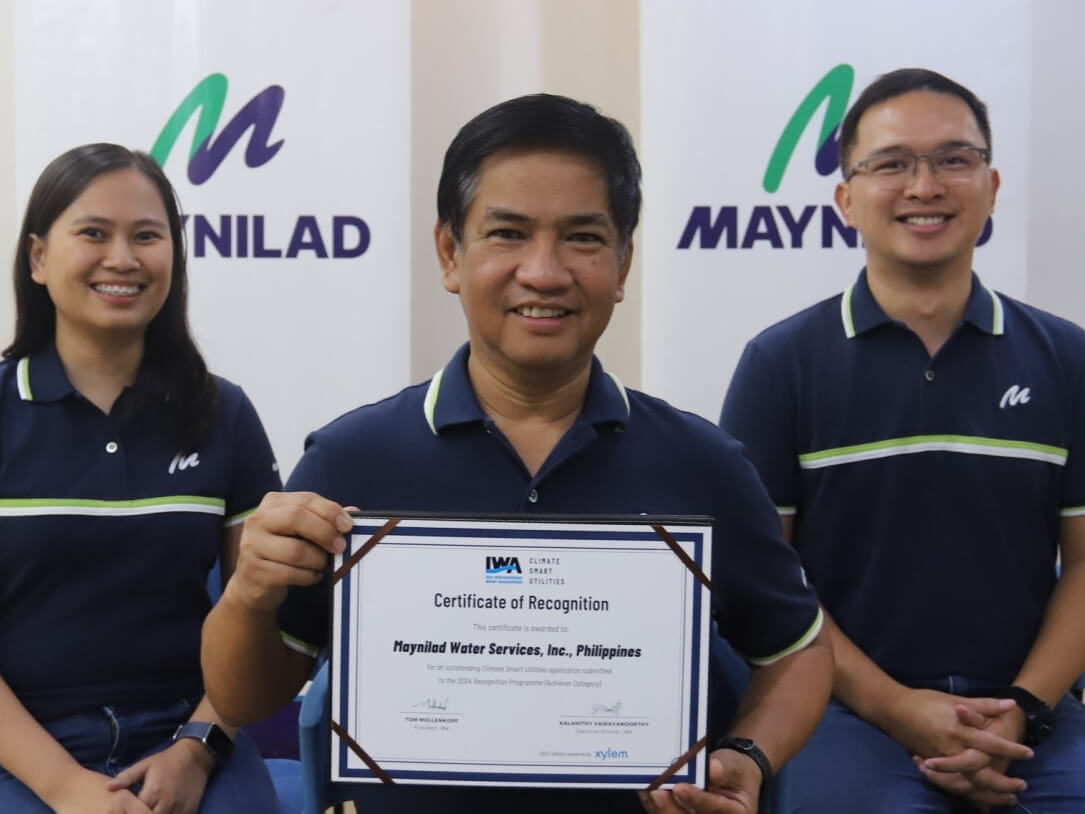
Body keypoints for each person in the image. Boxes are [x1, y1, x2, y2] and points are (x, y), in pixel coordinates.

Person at [202, 93, 833, 814]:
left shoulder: (704, 464)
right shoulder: (352, 460)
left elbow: (798, 652)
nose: (543, 271)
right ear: (450, 254)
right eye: (507, 233)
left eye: (582, 238)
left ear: (623, 261)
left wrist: (748, 755)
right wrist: (249, 595)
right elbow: (243, 696)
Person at [720, 68, 1085, 813]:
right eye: (890, 164)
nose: (924, 186)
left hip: (1031, 718)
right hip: (845, 716)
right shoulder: (780, 363)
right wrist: (896, 708)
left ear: (990, 184)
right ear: (844, 199)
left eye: (953, 159)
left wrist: (1021, 707)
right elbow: (765, 584)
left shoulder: (1066, 359)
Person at [0, 144, 282, 813]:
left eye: (147, 236)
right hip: (21, 746)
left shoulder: (226, 413)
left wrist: (198, 747)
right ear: (39, 258)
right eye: (93, 233)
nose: (122, 259)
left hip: (185, 735)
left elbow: (262, 619)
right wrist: (65, 787)